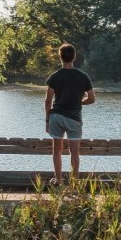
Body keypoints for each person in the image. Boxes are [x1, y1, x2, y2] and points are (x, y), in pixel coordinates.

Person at [44, 43, 95, 182]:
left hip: (57, 116)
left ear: (60, 57)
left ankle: (59, 181)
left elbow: (48, 101)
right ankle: (74, 184)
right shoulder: (83, 76)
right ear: (74, 57)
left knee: (57, 151)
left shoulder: (55, 76)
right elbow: (91, 99)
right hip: (74, 118)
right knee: (75, 153)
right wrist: (79, 102)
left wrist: (47, 121)